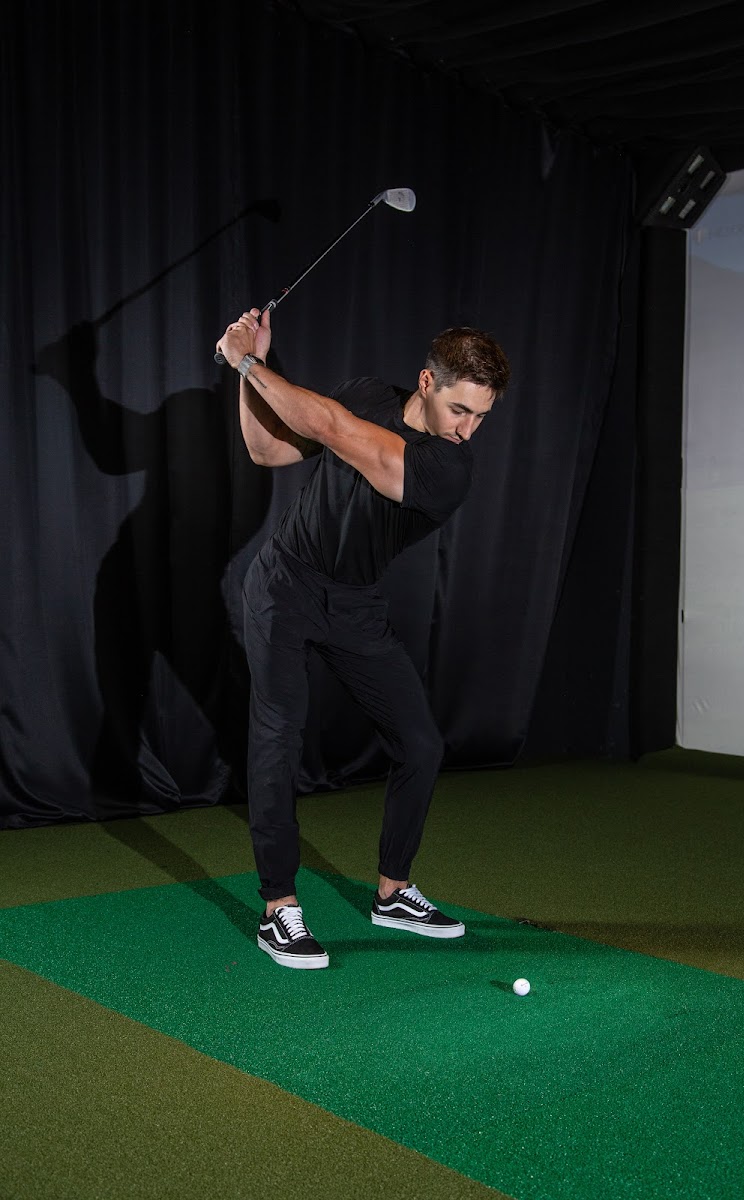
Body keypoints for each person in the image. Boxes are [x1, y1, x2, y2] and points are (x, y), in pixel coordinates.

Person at [216, 307, 510, 970]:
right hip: (285, 586)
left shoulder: (449, 469)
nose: (469, 430)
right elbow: (268, 450)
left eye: (481, 417)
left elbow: (329, 427)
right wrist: (247, 372)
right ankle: (279, 908)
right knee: (277, 738)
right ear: (427, 383)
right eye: (461, 410)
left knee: (420, 745)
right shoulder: (369, 394)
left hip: (354, 605)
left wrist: (249, 360)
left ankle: (393, 892)